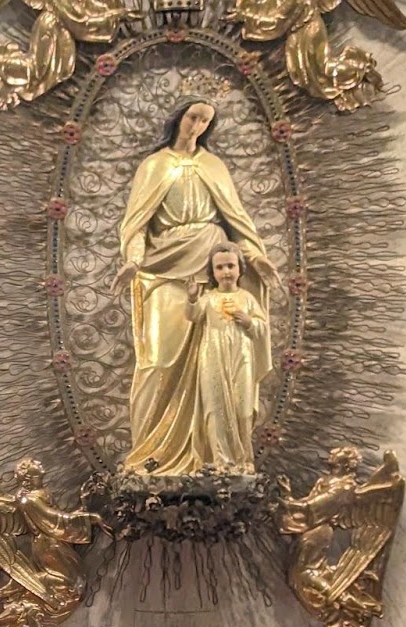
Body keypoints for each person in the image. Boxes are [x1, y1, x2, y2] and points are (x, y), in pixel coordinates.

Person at [111, 96, 280, 475]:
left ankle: (212, 458)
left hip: (208, 272)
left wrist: (255, 257)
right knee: (157, 361)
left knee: (214, 368)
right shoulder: (154, 165)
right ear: (179, 118)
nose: (197, 126)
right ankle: (148, 457)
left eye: (205, 121)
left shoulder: (213, 166)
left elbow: (236, 220)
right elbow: (137, 223)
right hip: (162, 271)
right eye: (193, 117)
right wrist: (133, 261)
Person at [181, 243, 271, 472]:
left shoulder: (247, 299)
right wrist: (191, 298)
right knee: (215, 409)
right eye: (219, 268)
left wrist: (249, 322)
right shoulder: (209, 298)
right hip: (213, 358)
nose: (226, 272)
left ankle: (243, 461)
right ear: (213, 272)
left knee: (243, 409)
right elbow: (193, 315)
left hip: (242, 359)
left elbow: (263, 328)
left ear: (240, 268)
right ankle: (221, 462)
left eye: (231, 266)